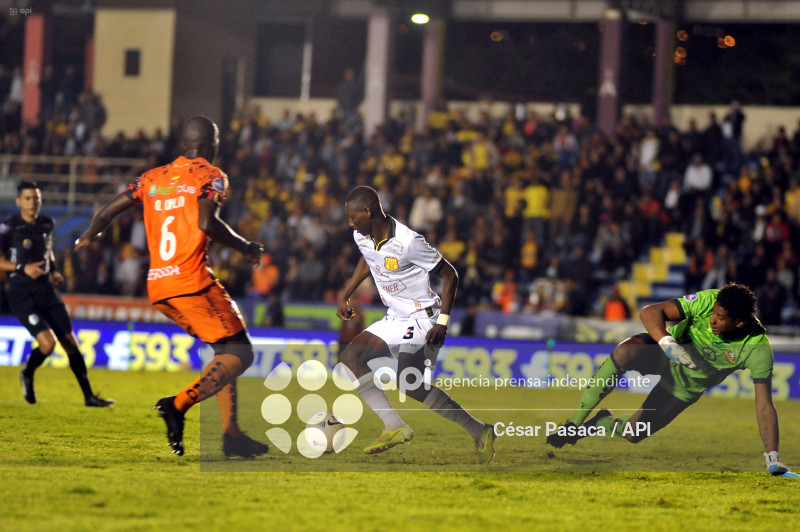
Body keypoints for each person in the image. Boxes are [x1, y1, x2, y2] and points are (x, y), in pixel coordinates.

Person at [75, 116, 269, 458]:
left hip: (158, 286)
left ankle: (232, 435)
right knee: (241, 354)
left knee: (226, 353)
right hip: (191, 279)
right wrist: (246, 247)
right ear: (212, 146)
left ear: (182, 146)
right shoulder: (211, 175)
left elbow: (107, 211)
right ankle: (177, 405)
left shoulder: (151, 178)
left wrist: (92, 233)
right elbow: (206, 221)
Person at [546, 283, 793, 476]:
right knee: (625, 351)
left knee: (633, 434)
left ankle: (599, 422)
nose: (712, 319)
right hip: (665, 353)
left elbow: (764, 405)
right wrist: (666, 342)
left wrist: (772, 456)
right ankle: (574, 422)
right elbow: (651, 311)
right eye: (713, 313)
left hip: (684, 387)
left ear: (739, 322)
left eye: (719, 317)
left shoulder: (757, 347)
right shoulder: (709, 301)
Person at [336, 186, 496, 462]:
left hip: (423, 316)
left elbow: (451, 275)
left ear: (368, 212)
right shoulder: (361, 235)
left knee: (408, 382)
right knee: (351, 357)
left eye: (353, 217)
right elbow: (369, 258)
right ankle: (394, 426)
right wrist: (347, 292)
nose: (350, 223)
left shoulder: (409, 242)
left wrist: (443, 323)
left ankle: (480, 431)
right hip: (394, 316)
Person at [0, 181, 113, 407]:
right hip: (22, 294)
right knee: (48, 345)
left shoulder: (47, 223)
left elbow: (48, 251)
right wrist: (23, 268)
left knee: (70, 343)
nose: (33, 202)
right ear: (18, 201)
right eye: (28, 198)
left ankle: (89, 396)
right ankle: (28, 373)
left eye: (36, 198)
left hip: (46, 290)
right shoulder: (9, 227)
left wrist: (55, 270)